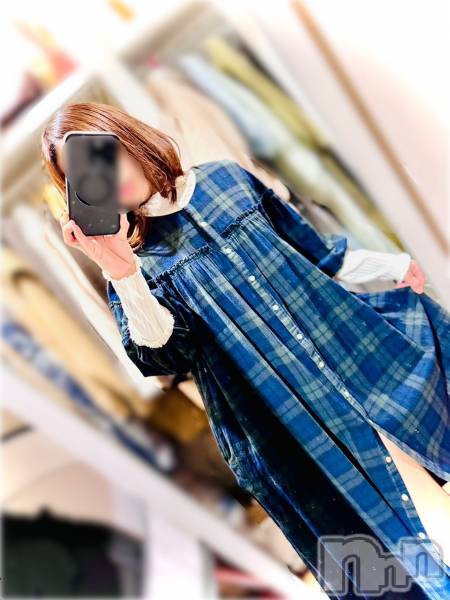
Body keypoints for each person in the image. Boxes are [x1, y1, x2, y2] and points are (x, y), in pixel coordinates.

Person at [41, 102, 450, 597]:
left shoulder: (228, 180)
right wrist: (123, 272)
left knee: (427, 498)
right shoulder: (130, 266)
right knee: (374, 561)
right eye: (84, 174)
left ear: (128, 138)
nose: (108, 177)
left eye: (102, 154)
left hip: (347, 362)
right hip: (277, 425)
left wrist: (389, 265)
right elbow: (163, 356)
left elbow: (314, 253)